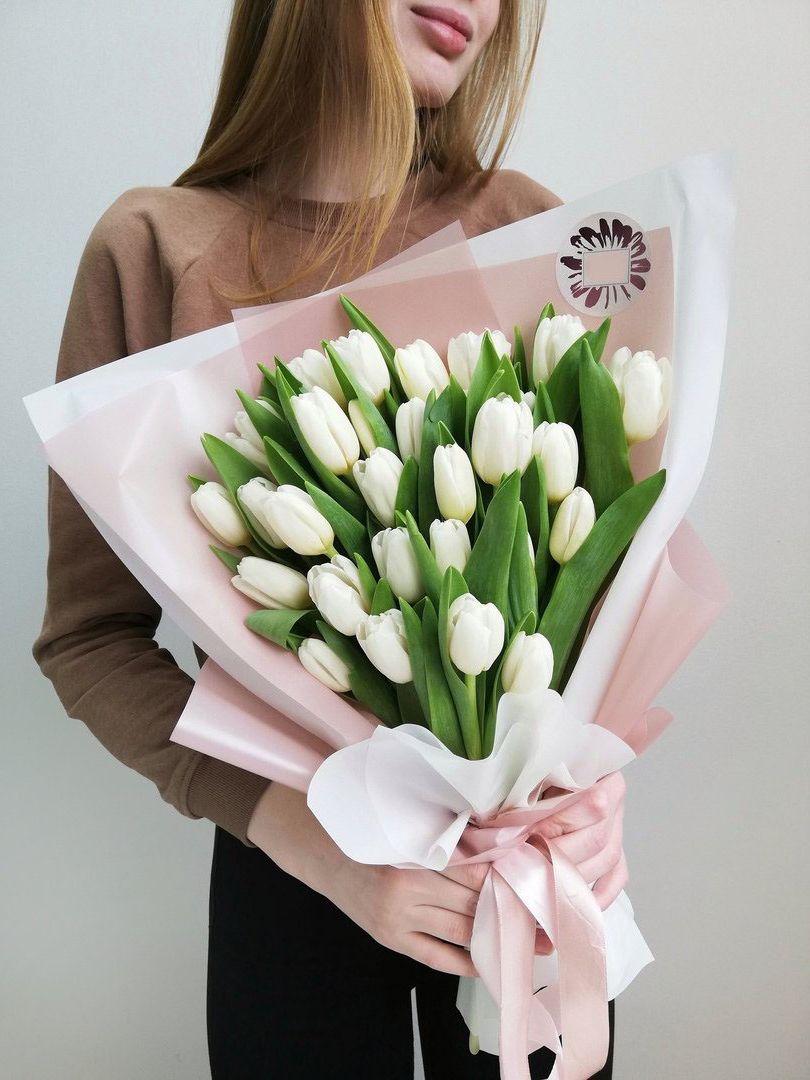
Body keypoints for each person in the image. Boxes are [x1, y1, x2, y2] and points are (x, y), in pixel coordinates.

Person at [33, 2, 628, 1077]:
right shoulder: (157, 250)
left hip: (530, 869)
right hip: (290, 877)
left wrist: (594, 793)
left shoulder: (531, 229)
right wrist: (305, 837)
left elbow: (601, 593)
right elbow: (89, 639)